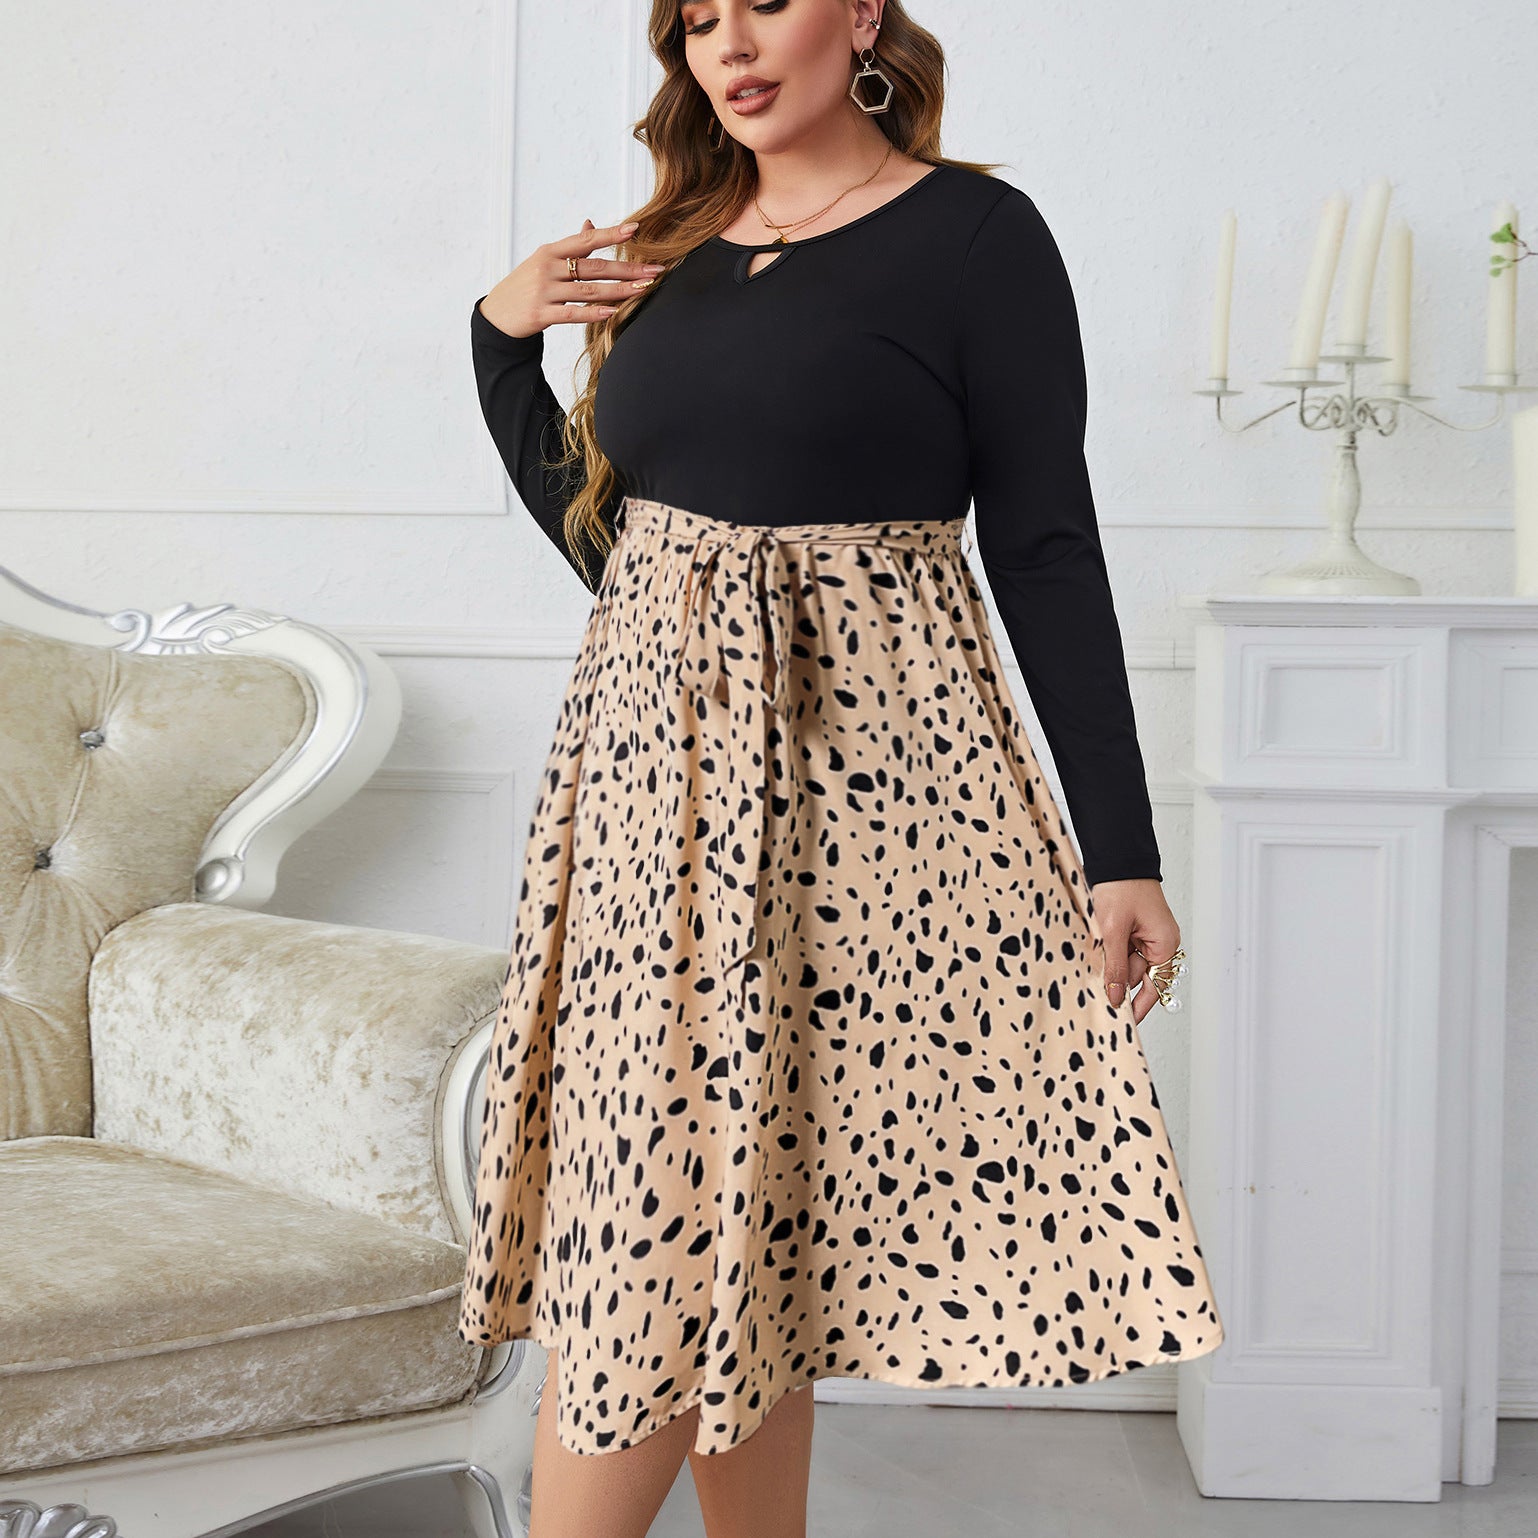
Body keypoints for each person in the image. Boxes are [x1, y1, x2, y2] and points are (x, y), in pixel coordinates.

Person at [458, 3, 1223, 1535]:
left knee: (755, 1237)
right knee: (667, 1231)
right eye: (698, 22)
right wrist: (499, 340)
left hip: (871, 814)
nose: (729, 48)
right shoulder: (669, 247)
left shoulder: (975, 239)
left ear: (861, 12)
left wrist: (1119, 849)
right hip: (647, 812)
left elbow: (1045, 546)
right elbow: (620, 553)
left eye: (764, 4)